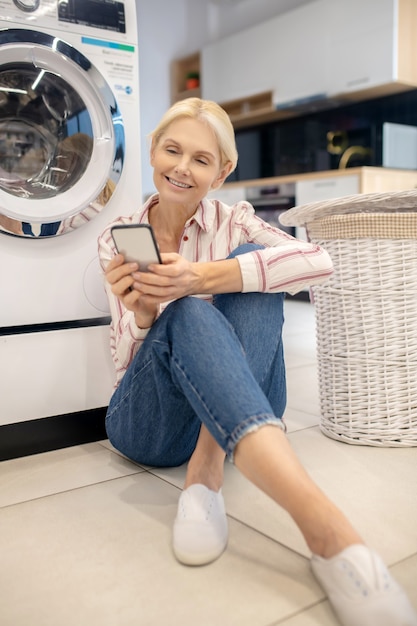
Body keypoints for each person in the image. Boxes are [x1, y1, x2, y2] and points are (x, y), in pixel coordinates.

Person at [98, 98, 417, 626]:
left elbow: (320, 261)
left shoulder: (234, 219)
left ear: (222, 172)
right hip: (150, 427)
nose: (182, 167)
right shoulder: (122, 236)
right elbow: (125, 367)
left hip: (241, 405)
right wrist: (148, 312)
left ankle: (209, 473)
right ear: (152, 151)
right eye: (172, 150)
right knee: (185, 316)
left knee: (254, 263)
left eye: (201, 159)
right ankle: (328, 531)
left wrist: (201, 278)